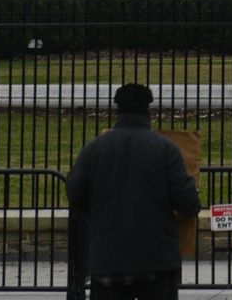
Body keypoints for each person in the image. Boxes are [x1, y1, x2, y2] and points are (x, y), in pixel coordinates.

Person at [66, 83, 200, 300]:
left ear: (117, 110)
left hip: (108, 257)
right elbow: (187, 203)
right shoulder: (166, 149)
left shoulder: (94, 149)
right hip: (156, 259)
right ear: (148, 111)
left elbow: (75, 195)